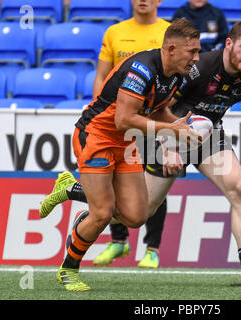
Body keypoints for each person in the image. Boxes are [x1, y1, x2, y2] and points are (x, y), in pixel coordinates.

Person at [43, 20, 241, 287]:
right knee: (122, 211)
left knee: (232, 189)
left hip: (196, 134)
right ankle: (77, 218)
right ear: (229, 43)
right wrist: (169, 142)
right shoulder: (190, 70)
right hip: (142, 134)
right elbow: (134, 117)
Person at [54, 18, 201, 291]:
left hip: (127, 142)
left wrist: (181, 129)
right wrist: (170, 129)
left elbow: (156, 109)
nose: (196, 58)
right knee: (101, 213)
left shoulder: (178, 74)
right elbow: (123, 119)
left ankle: (72, 189)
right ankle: (68, 269)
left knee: (136, 216)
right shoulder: (142, 69)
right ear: (170, 49)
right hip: (96, 136)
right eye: (191, 52)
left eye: (197, 51)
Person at [40, 0, 173, 269]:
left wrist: (167, 129)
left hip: (146, 122)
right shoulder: (115, 32)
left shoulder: (169, 34)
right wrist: (105, 111)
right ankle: (118, 242)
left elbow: (165, 84)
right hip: (118, 121)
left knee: (151, 187)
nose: (142, 0)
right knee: (109, 189)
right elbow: (102, 75)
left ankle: (151, 248)